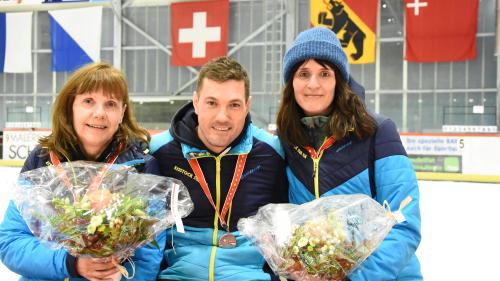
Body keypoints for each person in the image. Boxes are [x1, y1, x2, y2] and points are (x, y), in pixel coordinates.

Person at [276, 27, 422, 280]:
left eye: (324, 73)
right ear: (291, 83)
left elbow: (404, 223)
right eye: (303, 73)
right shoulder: (286, 141)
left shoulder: (377, 132)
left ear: (339, 81)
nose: (313, 84)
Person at [0, 62, 163, 281]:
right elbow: (11, 242)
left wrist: (117, 277)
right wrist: (71, 264)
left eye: (111, 104)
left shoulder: (142, 167)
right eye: (88, 101)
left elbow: (148, 256)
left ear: (122, 112)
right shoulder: (42, 159)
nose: (99, 113)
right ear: (71, 106)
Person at [150, 56, 288, 281]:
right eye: (211, 103)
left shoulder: (271, 152)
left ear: (247, 106)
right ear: (195, 102)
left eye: (234, 105)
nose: (222, 117)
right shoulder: (160, 151)